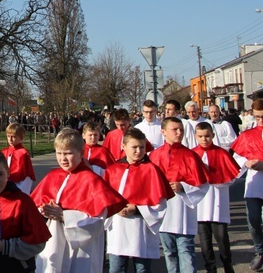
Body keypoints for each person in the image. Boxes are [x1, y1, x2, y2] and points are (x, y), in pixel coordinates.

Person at [31, 128, 127, 273]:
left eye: (68, 154)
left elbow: (97, 221)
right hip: (53, 241)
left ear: (81, 153)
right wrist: (43, 211)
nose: (63, 158)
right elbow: (35, 206)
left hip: (82, 249)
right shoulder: (53, 176)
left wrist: (64, 216)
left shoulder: (91, 180)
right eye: (59, 153)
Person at [103, 128, 174, 273]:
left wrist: (137, 209)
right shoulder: (114, 170)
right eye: (134, 147)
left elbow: (160, 204)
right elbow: (104, 198)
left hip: (141, 228)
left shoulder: (151, 170)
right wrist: (116, 208)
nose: (138, 151)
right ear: (124, 147)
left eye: (142, 147)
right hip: (118, 227)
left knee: (142, 269)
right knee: (116, 268)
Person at [148, 116, 209, 273]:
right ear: (163, 131)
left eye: (181, 129)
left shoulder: (191, 156)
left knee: (186, 251)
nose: (179, 132)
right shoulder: (153, 156)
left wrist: (183, 187)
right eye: (174, 129)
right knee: (169, 253)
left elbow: (203, 185)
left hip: (183, 211)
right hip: (164, 212)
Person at [192, 121, 240, 273]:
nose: (204, 139)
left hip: (218, 200)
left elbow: (232, 177)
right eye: (200, 136)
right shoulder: (192, 154)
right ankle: (210, 267)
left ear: (212, 135)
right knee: (205, 241)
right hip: (200, 205)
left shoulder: (221, 153)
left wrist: (215, 177)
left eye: (207, 136)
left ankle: (227, 264)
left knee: (221, 238)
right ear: (195, 137)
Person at [231, 98, 263, 271]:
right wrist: (246, 163)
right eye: (257, 117)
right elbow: (237, 157)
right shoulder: (248, 135)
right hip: (253, 184)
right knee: (253, 221)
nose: (260, 121)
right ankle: (260, 251)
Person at [0, 123, 36, 194]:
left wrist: (22, 191)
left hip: (18, 187)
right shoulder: (4, 152)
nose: (10, 139)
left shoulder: (23, 153)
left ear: (21, 138)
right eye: (8, 136)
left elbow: (26, 176)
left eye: (13, 137)